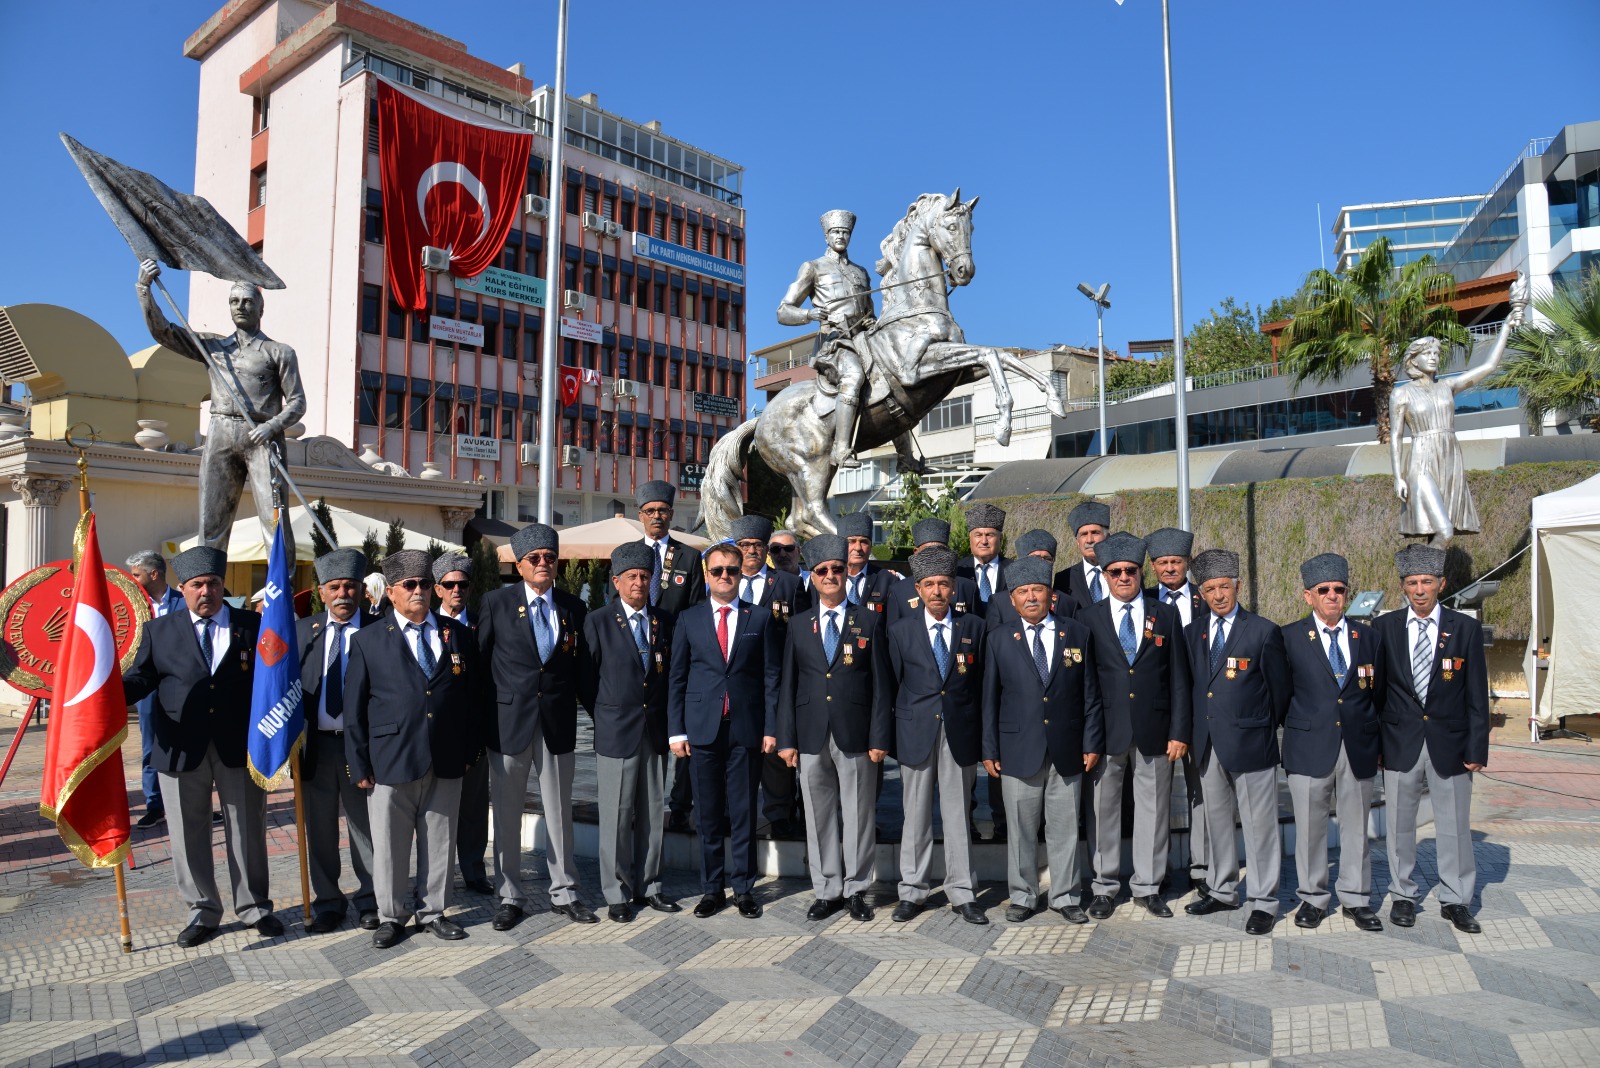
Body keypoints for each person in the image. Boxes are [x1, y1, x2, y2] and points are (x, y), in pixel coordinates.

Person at [122, 546, 279, 947]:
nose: (205, 591)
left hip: (238, 747)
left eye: (212, 583)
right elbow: (141, 680)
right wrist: (106, 689)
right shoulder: (160, 631)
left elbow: (273, 679)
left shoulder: (252, 624)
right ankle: (203, 911)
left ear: (222, 584)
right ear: (182, 588)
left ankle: (255, 906)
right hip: (178, 746)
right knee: (188, 834)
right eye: (196, 585)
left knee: (246, 829)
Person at [345, 550, 483, 948]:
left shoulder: (456, 634)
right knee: (389, 845)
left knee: (439, 838)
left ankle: (433, 911)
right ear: (391, 592)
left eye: (425, 583)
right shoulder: (368, 639)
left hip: (446, 756)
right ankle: (391, 916)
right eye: (410, 585)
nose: (419, 591)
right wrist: (359, 764)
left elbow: (473, 698)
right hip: (391, 759)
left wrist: (470, 751)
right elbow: (354, 710)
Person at [135, 260, 305, 560]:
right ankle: (206, 590)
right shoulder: (213, 348)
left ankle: (282, 596)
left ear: (260, 309)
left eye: (248, 301)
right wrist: (144, 289)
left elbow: (297, 403)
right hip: (221, 432)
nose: (240, 306)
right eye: (234, 301)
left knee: (275, 519)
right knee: (211, 522)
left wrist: (272, 426)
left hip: (262, 436)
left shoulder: (280, 352)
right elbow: (163, 332)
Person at [478, 524, 595, 929]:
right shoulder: (495, 602)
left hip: (558, 723)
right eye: (535, 559)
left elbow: (582, 672)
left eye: (550, 557)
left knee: (560, 811)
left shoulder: (573, 608)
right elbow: (480, 666)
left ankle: (565, 891)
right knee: (507, 813)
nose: (544, 564)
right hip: (508, 723)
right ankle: (510, 895)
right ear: (520, 564)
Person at [776, 535, 891, 923]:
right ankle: (827, 890)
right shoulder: (798, 625)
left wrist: (880, 737)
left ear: (846, 573)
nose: (830, 576)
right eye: (822, 570)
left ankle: (857, 889)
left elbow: (881, 685)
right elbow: (788, 686)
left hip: (856, 733)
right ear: (812, 575)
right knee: (818, 814)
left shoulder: (870, 620)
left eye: (836, 570)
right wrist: (786, 739)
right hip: (810, 734)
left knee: (859, 813)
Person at [1076, 533, 1190, 919]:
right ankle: (1105, 887)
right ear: (1105, 575)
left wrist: (1179, 731)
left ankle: (1148, 885)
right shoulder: (1088, 618)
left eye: (1131, 570)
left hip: (1155, 730)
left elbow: (1179, 678)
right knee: (1102, 810)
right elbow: (1086, 683)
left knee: (1154, 810)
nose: (1124, 576)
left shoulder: (1165, 614)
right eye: (1115, 571)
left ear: (1142, 572)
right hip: (1106, 732)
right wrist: (1088, 736)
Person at [982, 558, 1103, 923]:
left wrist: (1092, 742)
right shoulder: (999, 639)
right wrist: (989, 749)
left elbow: (1091, 695)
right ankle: (1022, 895)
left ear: (1051, 596)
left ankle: (1065, 896)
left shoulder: (1076, 634)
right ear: (1013, 600)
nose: (1031, 597)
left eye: (1038, 590)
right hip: (1017, 749)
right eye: (1023, 592)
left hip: (1068, 748)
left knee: (1065, 825)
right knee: (1019, 827)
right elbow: (989, 699)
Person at [1375, 543, 1488, 934]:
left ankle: (1456, 898)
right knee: (1400, 822)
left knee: (1455, 824)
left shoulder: (1466, 629)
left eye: (1426, 582)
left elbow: (1476, 694)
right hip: (1400, 742)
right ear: (1403, 587)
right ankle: (1403, 895)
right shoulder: (1384, 628)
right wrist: (1376, 747)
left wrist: (1477, 748)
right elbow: (1377, 694)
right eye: (1412, 583)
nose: (1420, 590)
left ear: (1441, 583)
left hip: (1452, 745)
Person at [668, 541, 782, 919]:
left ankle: (745, 888)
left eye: (732, 570)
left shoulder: (760, 618)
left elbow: (770, 677)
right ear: (707, 574)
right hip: (702, 730)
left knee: (745, 810)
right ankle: (712, 888)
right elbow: (678, 679)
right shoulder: (690, 619)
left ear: (741, 572)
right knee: (708, 813)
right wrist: (676, 732)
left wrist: (771, 728)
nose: (725, 577)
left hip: (745, 729)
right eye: (717, 571)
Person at [1183, 549, 1291, 936]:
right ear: (1201, 593)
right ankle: (1223, 889)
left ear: (1237, 586)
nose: (1218, 596)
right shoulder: (1192, 632)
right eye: (1209, 589)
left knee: (1260, 825)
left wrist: (1259, 727)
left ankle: (1264, 901)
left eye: (1224, 587)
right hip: (1208, 744)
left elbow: (1279, 693)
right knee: (1216, 822)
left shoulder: (1263, 630)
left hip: (1252, 744)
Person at [1281, 553, 1384, 932]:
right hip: (1309, 747)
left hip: (1357, 747)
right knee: (1310, 827)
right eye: (1323, 590)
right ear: (1308, 595)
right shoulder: (1289, 637)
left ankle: (1356, 899)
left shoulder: (1368, 638)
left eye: (1339, 590)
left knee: (1357, 826)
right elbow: (1280, 694)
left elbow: (1378, 695)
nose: (1332, 596)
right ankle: (1312, 898)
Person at [886, 547, 988, 925]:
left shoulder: (974, 628)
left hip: (959, 731)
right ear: (918, 588)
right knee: (914, 814)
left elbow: (981, 686)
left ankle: (962, 892)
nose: (937, 592)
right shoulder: (899, 631)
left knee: (958, 813)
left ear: (955, 588)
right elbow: (891, 686)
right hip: (915, 731)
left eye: (944, 584)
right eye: (929, 585)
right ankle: (912, 891)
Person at [579, 543, 680, 922]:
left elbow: (669, 678)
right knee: (618, 814)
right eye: (632, 577)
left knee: (654, 811)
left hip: (654, 730)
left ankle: (650, 885)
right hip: (615, 730)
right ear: (616, 581)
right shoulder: (599, 621)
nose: (639, 582)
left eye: (645, 576)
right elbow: (587, 680)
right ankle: (616, 891)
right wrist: (605, 713)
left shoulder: (664, 622)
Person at [777, 209, 921, 469]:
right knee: (853, 375)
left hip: (863, 338)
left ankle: (905, 458)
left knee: (895, 376)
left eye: (845, 232)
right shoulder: (813, 267)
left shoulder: (861, 272)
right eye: (836, 232)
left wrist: (871, 321)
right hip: (834, 342)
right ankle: (841, 450)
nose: (841, 236)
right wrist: (809, 313)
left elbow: (869, 312)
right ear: (827, 235)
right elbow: (783, 311)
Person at [1390, 278, 1527, 546]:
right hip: (1421, 459)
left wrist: (1506, 328)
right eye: (1427, 353)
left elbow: (1489, 366)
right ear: (1413, 360)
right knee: (1444, 530)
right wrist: (1397, 476)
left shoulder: (1448, 386)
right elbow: (1395, 437)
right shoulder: (1401, 393)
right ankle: (1425, 579)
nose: (1433, 357)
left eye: (1436, 353)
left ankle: (1425, 577)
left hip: (1449, 455)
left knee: (1443, 527)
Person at [295, 548, 380, 933]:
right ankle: (328, 901)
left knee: (366, 829)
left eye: (350, 586)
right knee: (321, 829)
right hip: (317, 749)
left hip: (362, 748)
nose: (343, 593)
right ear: (321, 592)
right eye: (335, 587)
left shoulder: (381, 631)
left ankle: (372, 899)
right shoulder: (302, 633)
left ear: (361, 590)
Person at [635, 480, 709, 836]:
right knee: (642, 735)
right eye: (650, 511)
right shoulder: (627, 552)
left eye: (663, 511)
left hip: (678, 658)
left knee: (683, 733)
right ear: (641, 516)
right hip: (638, 659)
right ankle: (639, 804)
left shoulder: (689, 556)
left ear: (671, 514)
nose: (657, 517)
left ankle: (680, 806)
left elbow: (696, 610)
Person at [729, 514, 807, 838]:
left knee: (775, 752)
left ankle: (779, 816)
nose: (751, 551)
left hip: (777, 679)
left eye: (757, 545)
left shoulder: (788, 584)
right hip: (737, 682)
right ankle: (734, 817)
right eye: (744, 545)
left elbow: (801, 632)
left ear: (765, 549)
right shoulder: (724, 582)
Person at [1142, 527, 1208, 894]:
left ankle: (1201, 867)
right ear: (1153, 566)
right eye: (1163, 562)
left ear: (1187, 564)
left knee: (1202, 790)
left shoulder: (1206, 597)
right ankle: (1159, 866)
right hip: (1157, 711)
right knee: (1155, 795)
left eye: (1176, 562)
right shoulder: (1145, 600)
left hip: (1200, 708)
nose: (1169, 568)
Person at [433, 552, 493, 896]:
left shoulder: (483, 625)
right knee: (434, 812)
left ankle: (473, 870)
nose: (457, 590)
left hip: (472, 730)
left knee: (472, 808)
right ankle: (435, 877)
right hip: (433, 732)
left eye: (463, 584)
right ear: (438, 589)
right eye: (449, 584)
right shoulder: (423, 622)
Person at [125, 549, 185, 828]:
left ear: (154, 574)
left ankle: (193, 802)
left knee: (188, 742)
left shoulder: (184, 603)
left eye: (136, 574)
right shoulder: (130, 605)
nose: (132, 579)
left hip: (180, 685)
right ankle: (154, 805)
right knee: (151, 745)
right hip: (147, 686)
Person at [884, 519, 980, 627]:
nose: (934, 554)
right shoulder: (899, 591)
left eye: (940, 549)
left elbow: (975, 629)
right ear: (916, 552)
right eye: (927, 550)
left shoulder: (966, 587)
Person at [984, 529, 1069, 630]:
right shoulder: (1000, 603)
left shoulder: (1068, 603)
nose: (1041, 563)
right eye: (1035, 557)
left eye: (1047, 558)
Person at [1053, 501, 1111, 613]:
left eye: (1095, 533)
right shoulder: (1064, 578)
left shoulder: (1121, 572)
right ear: (1077, 542)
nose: (1089, 540)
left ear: (1107, 537)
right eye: (1084, 534)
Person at [837, 512, 900, 613]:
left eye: (864, 542)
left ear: (870, 547)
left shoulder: (887, 580)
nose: (858, 548)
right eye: (851, 541)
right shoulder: (829, 580)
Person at [958, 503, 1011, 617]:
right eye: (978, 535)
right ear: (970, 539)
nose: (984, 541)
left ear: (1000, 538)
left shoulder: (1014, 569)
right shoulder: (958, 570)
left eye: (989, 535)